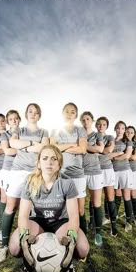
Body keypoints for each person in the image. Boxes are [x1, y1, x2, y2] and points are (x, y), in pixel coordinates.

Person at [9, 144, 90, 272]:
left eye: (54, 159)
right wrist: (24, 236)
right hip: (38, 221)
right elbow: (23, 215)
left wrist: (71, 235)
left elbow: (74, 215)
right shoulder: (30, 182)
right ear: (39, 163)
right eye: (45, 158)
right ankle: (29, 261)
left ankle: (67, 264)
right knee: (14, 248)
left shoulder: (67, 183)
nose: (49, 162)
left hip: (60, 221)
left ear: (59, 164)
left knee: (83, 250)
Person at [0, 103, 49, 263]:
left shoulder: (44, 131)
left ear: (39, 115)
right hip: (17, 171)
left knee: (33, 209)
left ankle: (31, 244)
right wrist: (33, 145)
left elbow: (44, 148)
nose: (33, 114)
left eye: (36, 112)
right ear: (26, 114)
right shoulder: (19, 130)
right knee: (11, 206)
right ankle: (4, 246)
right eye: (30, 111)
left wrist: (24, 146)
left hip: (35, 173)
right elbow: (13, 144)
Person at [50, 103, 87, 234]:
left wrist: (62, 147)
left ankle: (82, 238)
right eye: (66, 111)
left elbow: (82, 149)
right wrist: (72, 144)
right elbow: (53, 149)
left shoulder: (80, 130)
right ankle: (63, 236)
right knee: (62, 208)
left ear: (76, 115)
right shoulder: (55, 130)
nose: (69, 114)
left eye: (72, 112)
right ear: (62, 113)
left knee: (80, 210)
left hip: (77, 174)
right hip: (60, 174)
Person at [80, 111, 105, 247]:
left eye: (88, 119)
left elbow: (100, 149)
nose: (85, 122)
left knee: (96, 203)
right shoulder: (79, 134)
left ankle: (98, 233)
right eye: (83, 120)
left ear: (92, 120)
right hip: (81, 173)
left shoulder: (97, 134)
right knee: (80, 206)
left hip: (95, 172)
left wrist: (84, 147)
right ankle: (82, 234)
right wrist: (89, 148)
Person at [0, 110, 21, 243]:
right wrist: (24, 149)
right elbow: (7, 151)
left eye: (16, 118)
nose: (14, 121)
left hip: (19, 170)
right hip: (7, 170)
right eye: (11, 119)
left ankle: (20, 229)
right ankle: (2, 230)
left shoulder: (22, 132)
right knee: (5, 200)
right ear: (8, 121)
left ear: (19, 120)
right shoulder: (4, 135)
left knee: (18, 203)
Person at [96, 116, 118, 237]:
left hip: (107, 169)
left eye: (104, 124)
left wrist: (99, 149)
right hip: (96, 169)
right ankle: (93, 222)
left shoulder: (110, 137)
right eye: (99, 124)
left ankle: (113, 226)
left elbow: (108, 150)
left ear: (107, 126)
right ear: (96, 126)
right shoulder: (93, 136)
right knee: (96, 199)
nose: (101, 126)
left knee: (110, 197)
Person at [110, 121, 133, 232]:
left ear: (125, 130)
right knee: (113, 196)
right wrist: (117, 154)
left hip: (124, 170)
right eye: (118, 128)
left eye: (123, 128)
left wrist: (114, 158)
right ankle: (113, 217)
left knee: (126, 196)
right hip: (113, 171)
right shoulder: (111, 141)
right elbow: (107, 155)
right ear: (115, 129)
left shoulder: (127, 141)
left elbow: (127, 155)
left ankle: (128, 222)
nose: (120, 130)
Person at [125, 126, 136, 228]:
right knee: (126, 196)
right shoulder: (123, 143)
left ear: (134, 134)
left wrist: (124, 155)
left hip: (133, 170)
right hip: (123, 171)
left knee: (134, 195)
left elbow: (134, 157)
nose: (129, 133)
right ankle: (128, 219)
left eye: (132, 132)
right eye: (127, 132)